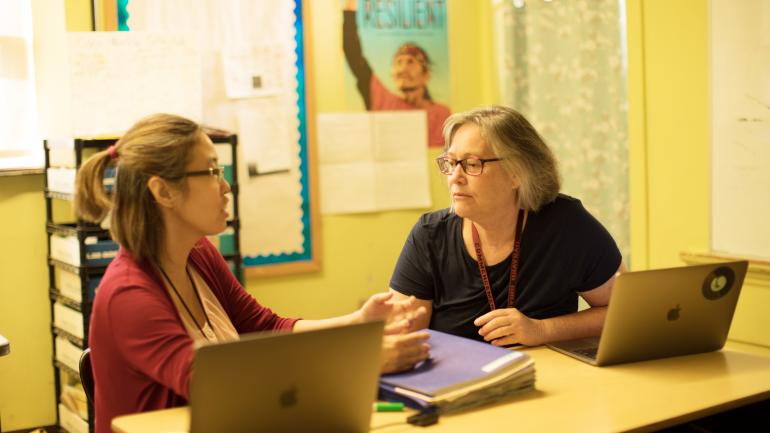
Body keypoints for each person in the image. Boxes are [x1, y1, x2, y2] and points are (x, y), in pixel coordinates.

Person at [75, 114, 430, 433]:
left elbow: (266, 327)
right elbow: (221, 389)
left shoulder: (199, 253)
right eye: (213, 172)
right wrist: (363, 361)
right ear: (162, 191)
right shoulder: (130, 294)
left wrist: (358, 322)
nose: (226, 187)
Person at [388, 105, 624, 347]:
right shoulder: (429, 236)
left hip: (551, 379)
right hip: (459, 381)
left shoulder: (567, 224)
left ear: (517, 172)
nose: (455, 177)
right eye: (451, 162)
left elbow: (624, 313)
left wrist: (542, 329)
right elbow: (403, 340)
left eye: (471, 164)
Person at [342, 0, 451, 147]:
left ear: (426, 75)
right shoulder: (381, 99)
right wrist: (349, 10)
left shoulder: (442, 114)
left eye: (411, 62)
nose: (403, 69)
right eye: (398, 62)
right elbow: (353, 54)